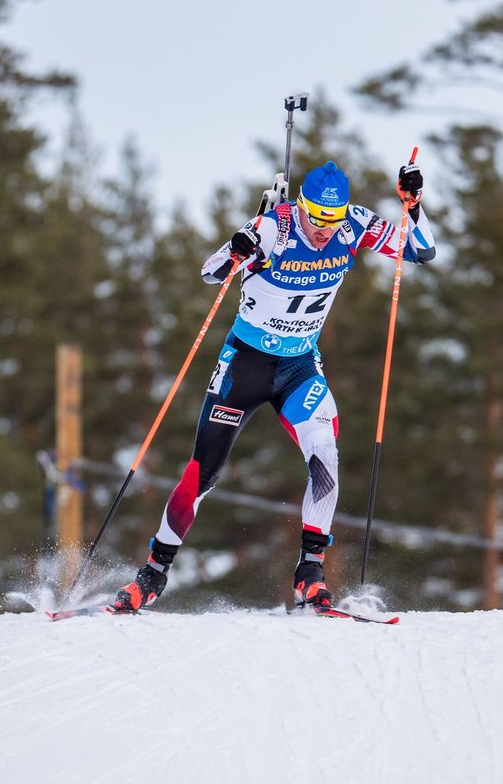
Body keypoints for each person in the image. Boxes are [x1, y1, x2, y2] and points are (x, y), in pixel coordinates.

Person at [112, 160, 436, 612]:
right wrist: (238, 249)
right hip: (245, 365)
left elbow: (421, 251)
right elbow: (211, 272)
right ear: (302, 207)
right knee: (201, 473)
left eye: (333, 221)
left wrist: (413, 206)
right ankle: (152, 573)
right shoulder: (275, 228)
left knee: (325, 454)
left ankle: (310, 573)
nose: (325, 232)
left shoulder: (353, 225)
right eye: (317, 220)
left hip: (299, 367)